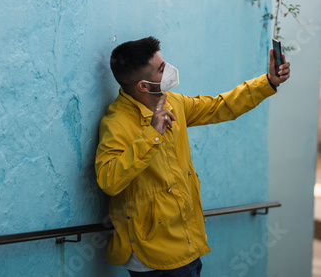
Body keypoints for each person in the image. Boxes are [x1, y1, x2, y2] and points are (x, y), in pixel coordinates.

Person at [94, 37, 290, 276]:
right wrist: (151, 134)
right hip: (153, 254)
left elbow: (220, 106)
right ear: (143, 86)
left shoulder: (173, 102)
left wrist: (268, 82)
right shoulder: (117, 123)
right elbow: (109, 181)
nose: (170, 70)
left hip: (187, 242)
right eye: (161, 69)